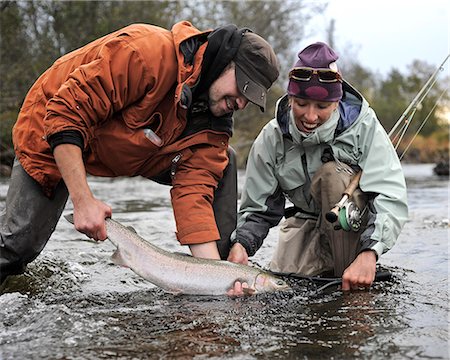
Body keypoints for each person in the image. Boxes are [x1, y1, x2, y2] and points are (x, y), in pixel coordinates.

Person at [0, 21, 279, 285]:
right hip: (52, 129)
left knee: (225, 160)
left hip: (136, 148)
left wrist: (219, 280)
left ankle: (216, 269)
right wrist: (83, 199)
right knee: (16, 248)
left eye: (251, 98)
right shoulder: (147, 53)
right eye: (242, 87)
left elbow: (194, 194)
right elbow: (65, 115)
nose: (242, 102)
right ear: (222, 62)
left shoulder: (214, 126)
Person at [228, 42, 408, 291]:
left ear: (336, 102)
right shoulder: (271, 138)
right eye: (302, 103)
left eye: (322, 107)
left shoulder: (364, 127)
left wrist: (371, 252)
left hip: (352, 224)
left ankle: (352, 270)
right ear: (290, 99)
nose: (310, 117)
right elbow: (259, 209)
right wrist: (241, 245)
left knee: (331, 175)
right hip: (303, 221)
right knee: (280, 288)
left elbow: (390, 195)